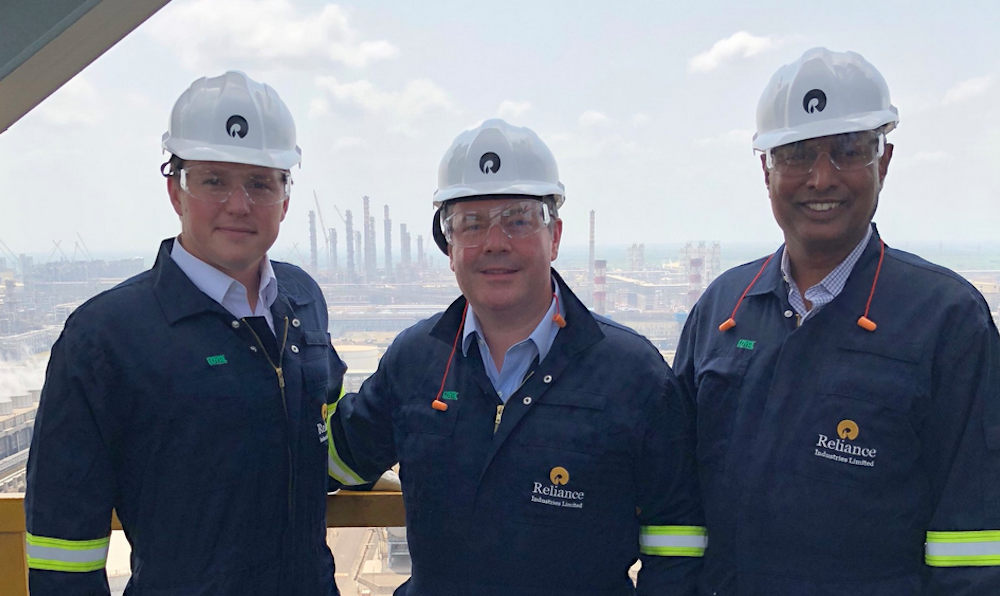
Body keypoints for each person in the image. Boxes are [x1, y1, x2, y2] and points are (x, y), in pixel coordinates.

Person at [325, 118, 704, 595]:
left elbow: (678, 536)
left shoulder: (633, 373)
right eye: (471, 223)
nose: (494, 242)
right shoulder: (416, 360)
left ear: (556, 236)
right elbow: (343, 460)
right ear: (449, 245)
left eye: (518, 219)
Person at [674, 47, 1000, 595]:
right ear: (766, 169)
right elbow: (675, 505)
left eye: (848, 151)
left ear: (885, 161)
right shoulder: (723, 307)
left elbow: (975, 547)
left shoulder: (948, 321)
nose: (821, 178)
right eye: (797, 154)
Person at [24, 71, 346, 595]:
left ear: (285, 199)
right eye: (213, 179)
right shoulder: (105, 338)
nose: (239, 204)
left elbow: (322, 444)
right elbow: (62, 549)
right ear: (176, 190)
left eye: (260, 182)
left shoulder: (303, 302)